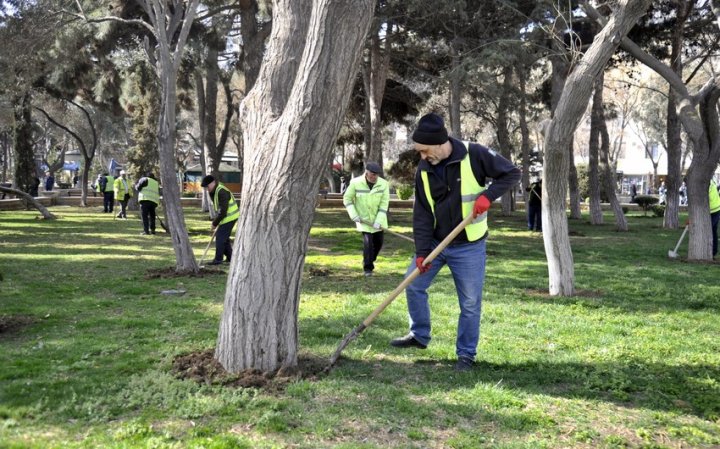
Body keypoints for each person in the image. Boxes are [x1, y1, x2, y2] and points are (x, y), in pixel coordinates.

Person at [390, 112, 521, 372]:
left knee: (470, 303)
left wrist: (488, 196)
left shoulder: (475, 154)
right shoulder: (424, 169)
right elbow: (423, 213)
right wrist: (422, 252)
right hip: (437, 244)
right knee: (413, 285)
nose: (422, 156)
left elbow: (512, 173)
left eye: (424, 150)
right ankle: (419, 335)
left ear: (440, 143)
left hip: (469, 245)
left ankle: (466, 355)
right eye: (419, 152)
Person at [343, 161, 390, 277]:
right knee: (368, 243)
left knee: (378, 243)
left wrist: (378, 221)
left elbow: (384, 205)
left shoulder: (384, 184)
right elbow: (347, 199)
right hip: (363, 220)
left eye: (377, 174)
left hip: (378, 220)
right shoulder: (355, 183)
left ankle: (370, 259)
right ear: (367, 172)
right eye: (372, 174)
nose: (375, 177)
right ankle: (368, 268)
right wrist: (353, 215)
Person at [200, 175, 240, 265]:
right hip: (226, 217)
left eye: (207, 186)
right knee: (224, 238)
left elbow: (223, 211)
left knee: (220, 238)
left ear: (213, 183)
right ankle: (230, 258)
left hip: (230, 217)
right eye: (205, 188)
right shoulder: (214, 191)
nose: (207, 189)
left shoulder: (221, 191)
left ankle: (218, 260)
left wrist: (215, 223)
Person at [710, 179, 720, 259]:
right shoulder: (710, 181)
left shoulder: (705, 184)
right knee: (713, 231)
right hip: (715, 209)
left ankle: (713, 252)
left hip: (714, 210)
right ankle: (713, 252)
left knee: (710, 230)